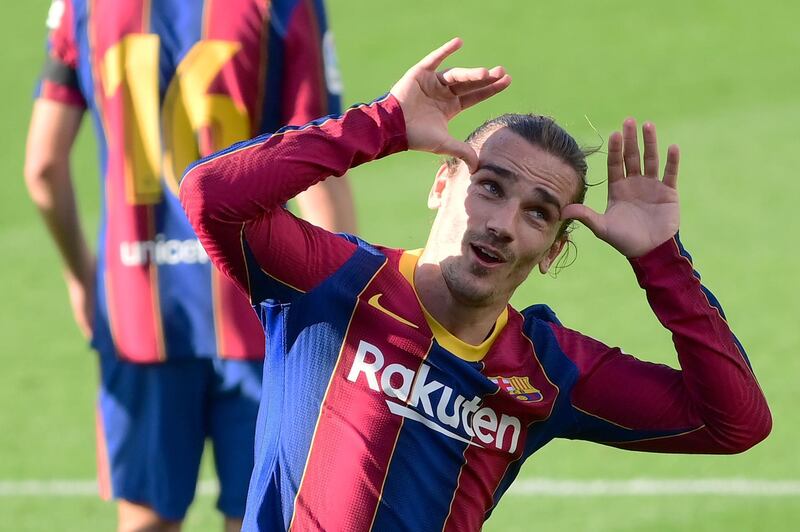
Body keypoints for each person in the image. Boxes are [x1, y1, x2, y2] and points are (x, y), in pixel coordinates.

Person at [180, 38, 771, 531]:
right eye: (489, 185)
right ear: (443, 183)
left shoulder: (551, 370)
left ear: (553, 251)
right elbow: (213, 196)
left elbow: (735, 422)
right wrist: (381, 123)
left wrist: (661, 262)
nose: (503, 224)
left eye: (538, 213)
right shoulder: (333, 282)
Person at [24, 0, 355, 530]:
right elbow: (318, 165)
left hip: (136, 311)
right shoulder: (284, 6)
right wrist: (346, 308)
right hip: (261, 315)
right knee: (260, 517)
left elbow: (42, 165)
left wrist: (83, 277)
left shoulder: (81, 7)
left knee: (146, 520)